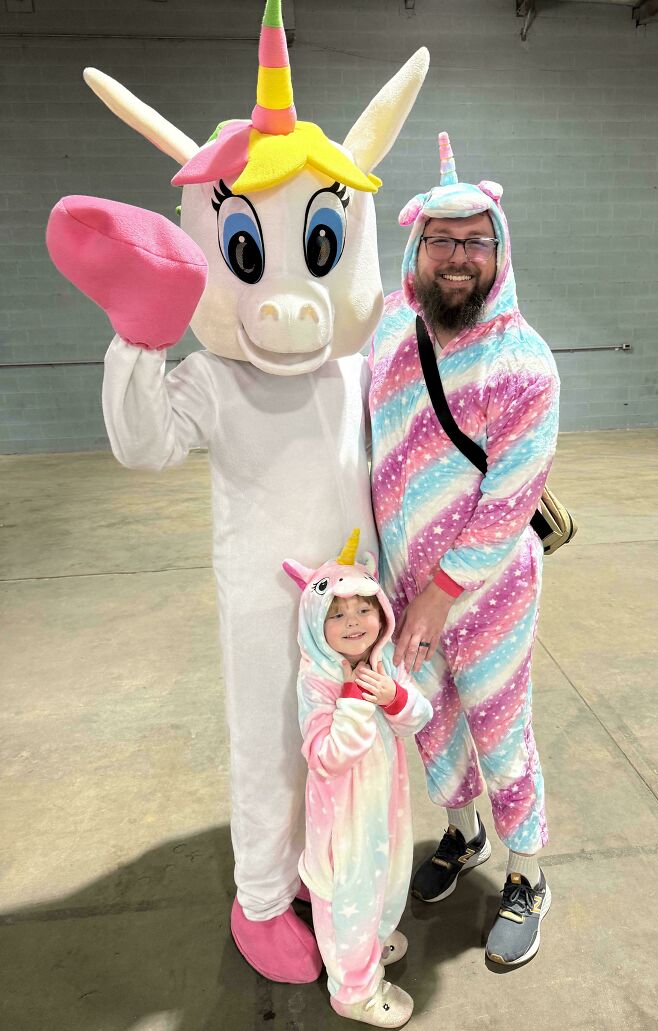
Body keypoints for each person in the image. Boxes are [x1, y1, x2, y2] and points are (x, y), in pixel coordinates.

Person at [45, 0, 429, 983]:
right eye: (252, 256)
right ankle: (260, 896)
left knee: (342, 740)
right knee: (269, 746)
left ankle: (315, 869)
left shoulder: (354, 368)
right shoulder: (218, 378)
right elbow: (144, 444)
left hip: (356, 602)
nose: (293, 303)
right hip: (265, 604)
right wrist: (141, 339)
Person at [368, 132, 559, 966]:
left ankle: (527, 874)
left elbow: (509, 500)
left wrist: (441, 593)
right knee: (433, 722)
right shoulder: (386, 337)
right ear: (416, 248)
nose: (456, 257)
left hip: (484, 592)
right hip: (398, 583)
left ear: (499, 252)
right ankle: (462, 831)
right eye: (440, 240)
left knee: (498, 724)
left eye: (473, 242)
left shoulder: (525, 366)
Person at [284, 529, 432, 1028]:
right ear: (313, 625)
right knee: (349, 895)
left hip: (387, 807)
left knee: (388, 877)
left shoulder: (382, 660)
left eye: (363, 608)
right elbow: (325, 757)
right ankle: (354, 988)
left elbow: (418, 717)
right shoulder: (318, 680)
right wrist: (351, 700)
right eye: (337, 614)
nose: (353, 622)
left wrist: (392, 696)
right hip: (344, 821)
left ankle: (372, 941)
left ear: (382, 612)